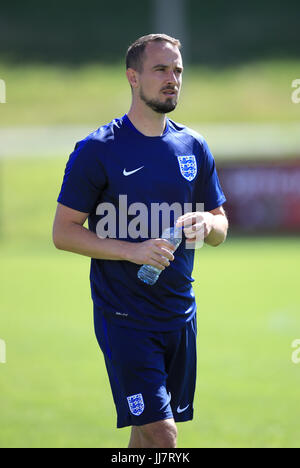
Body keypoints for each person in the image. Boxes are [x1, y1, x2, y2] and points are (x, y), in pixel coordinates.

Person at [53, 33, 228, 448]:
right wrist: (131, 251)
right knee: (163, 436)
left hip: (180, 314)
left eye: (178, 70)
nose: (173, 79)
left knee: (144, 438)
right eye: (161, 69)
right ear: (133, 77)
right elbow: (63, 232)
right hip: (125, 319)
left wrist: (207, 222)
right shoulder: (98, 149)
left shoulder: (193, 146)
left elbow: (221, 226)